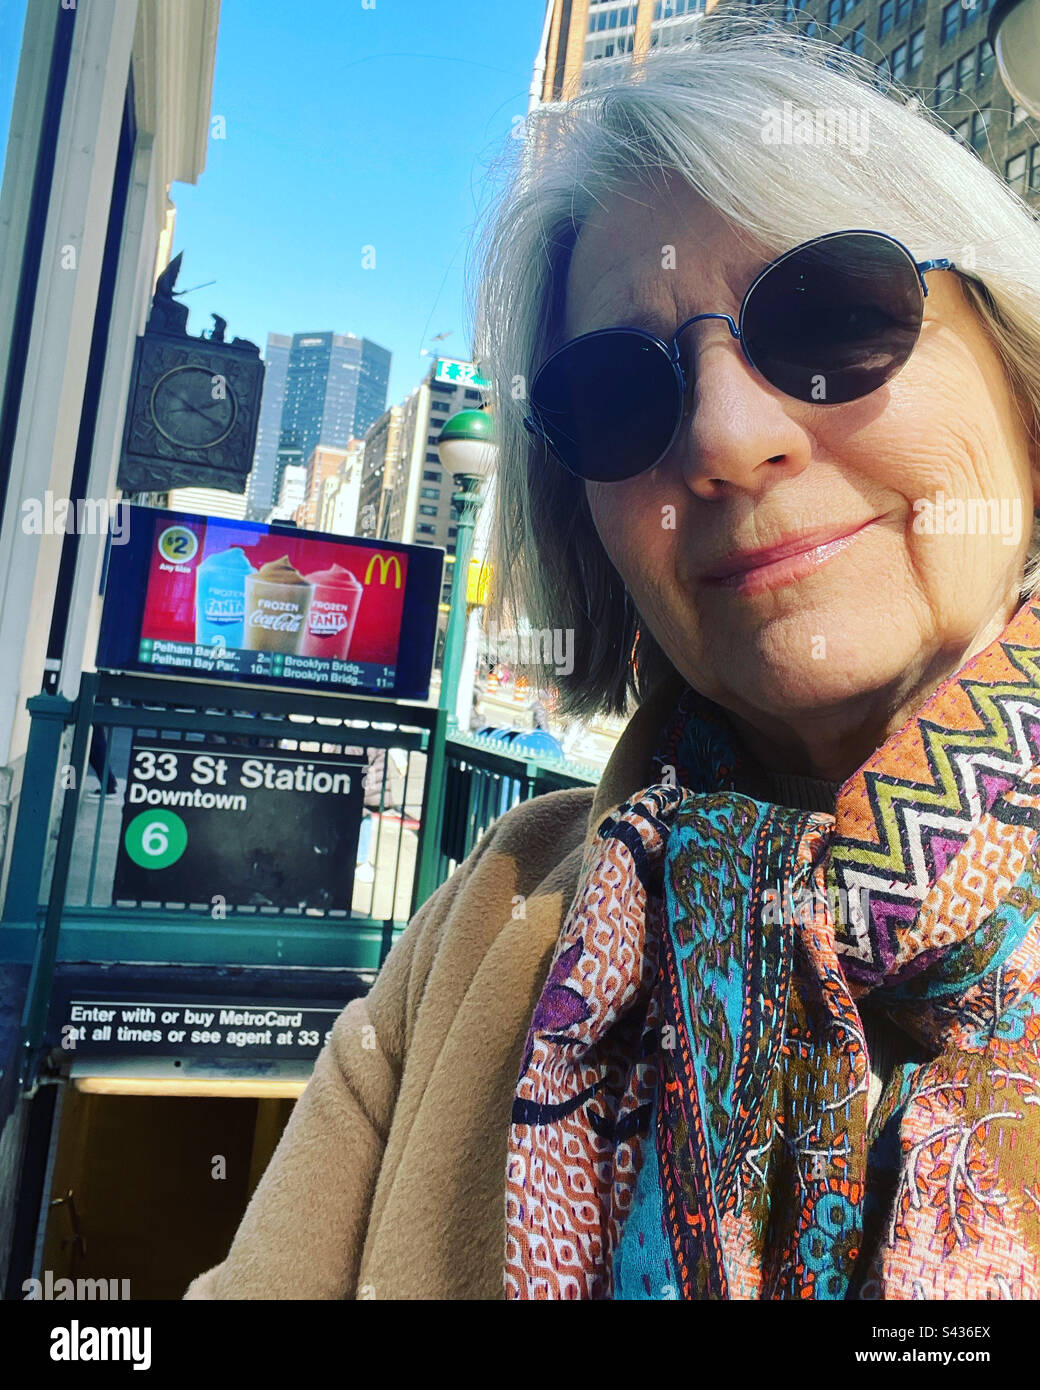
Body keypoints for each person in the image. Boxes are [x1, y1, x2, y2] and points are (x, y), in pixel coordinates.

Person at [185, 27, 1040, 1300]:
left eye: (832, 317)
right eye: (618, 393)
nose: (723, 433)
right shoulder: (493, 916)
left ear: (1019, 375)